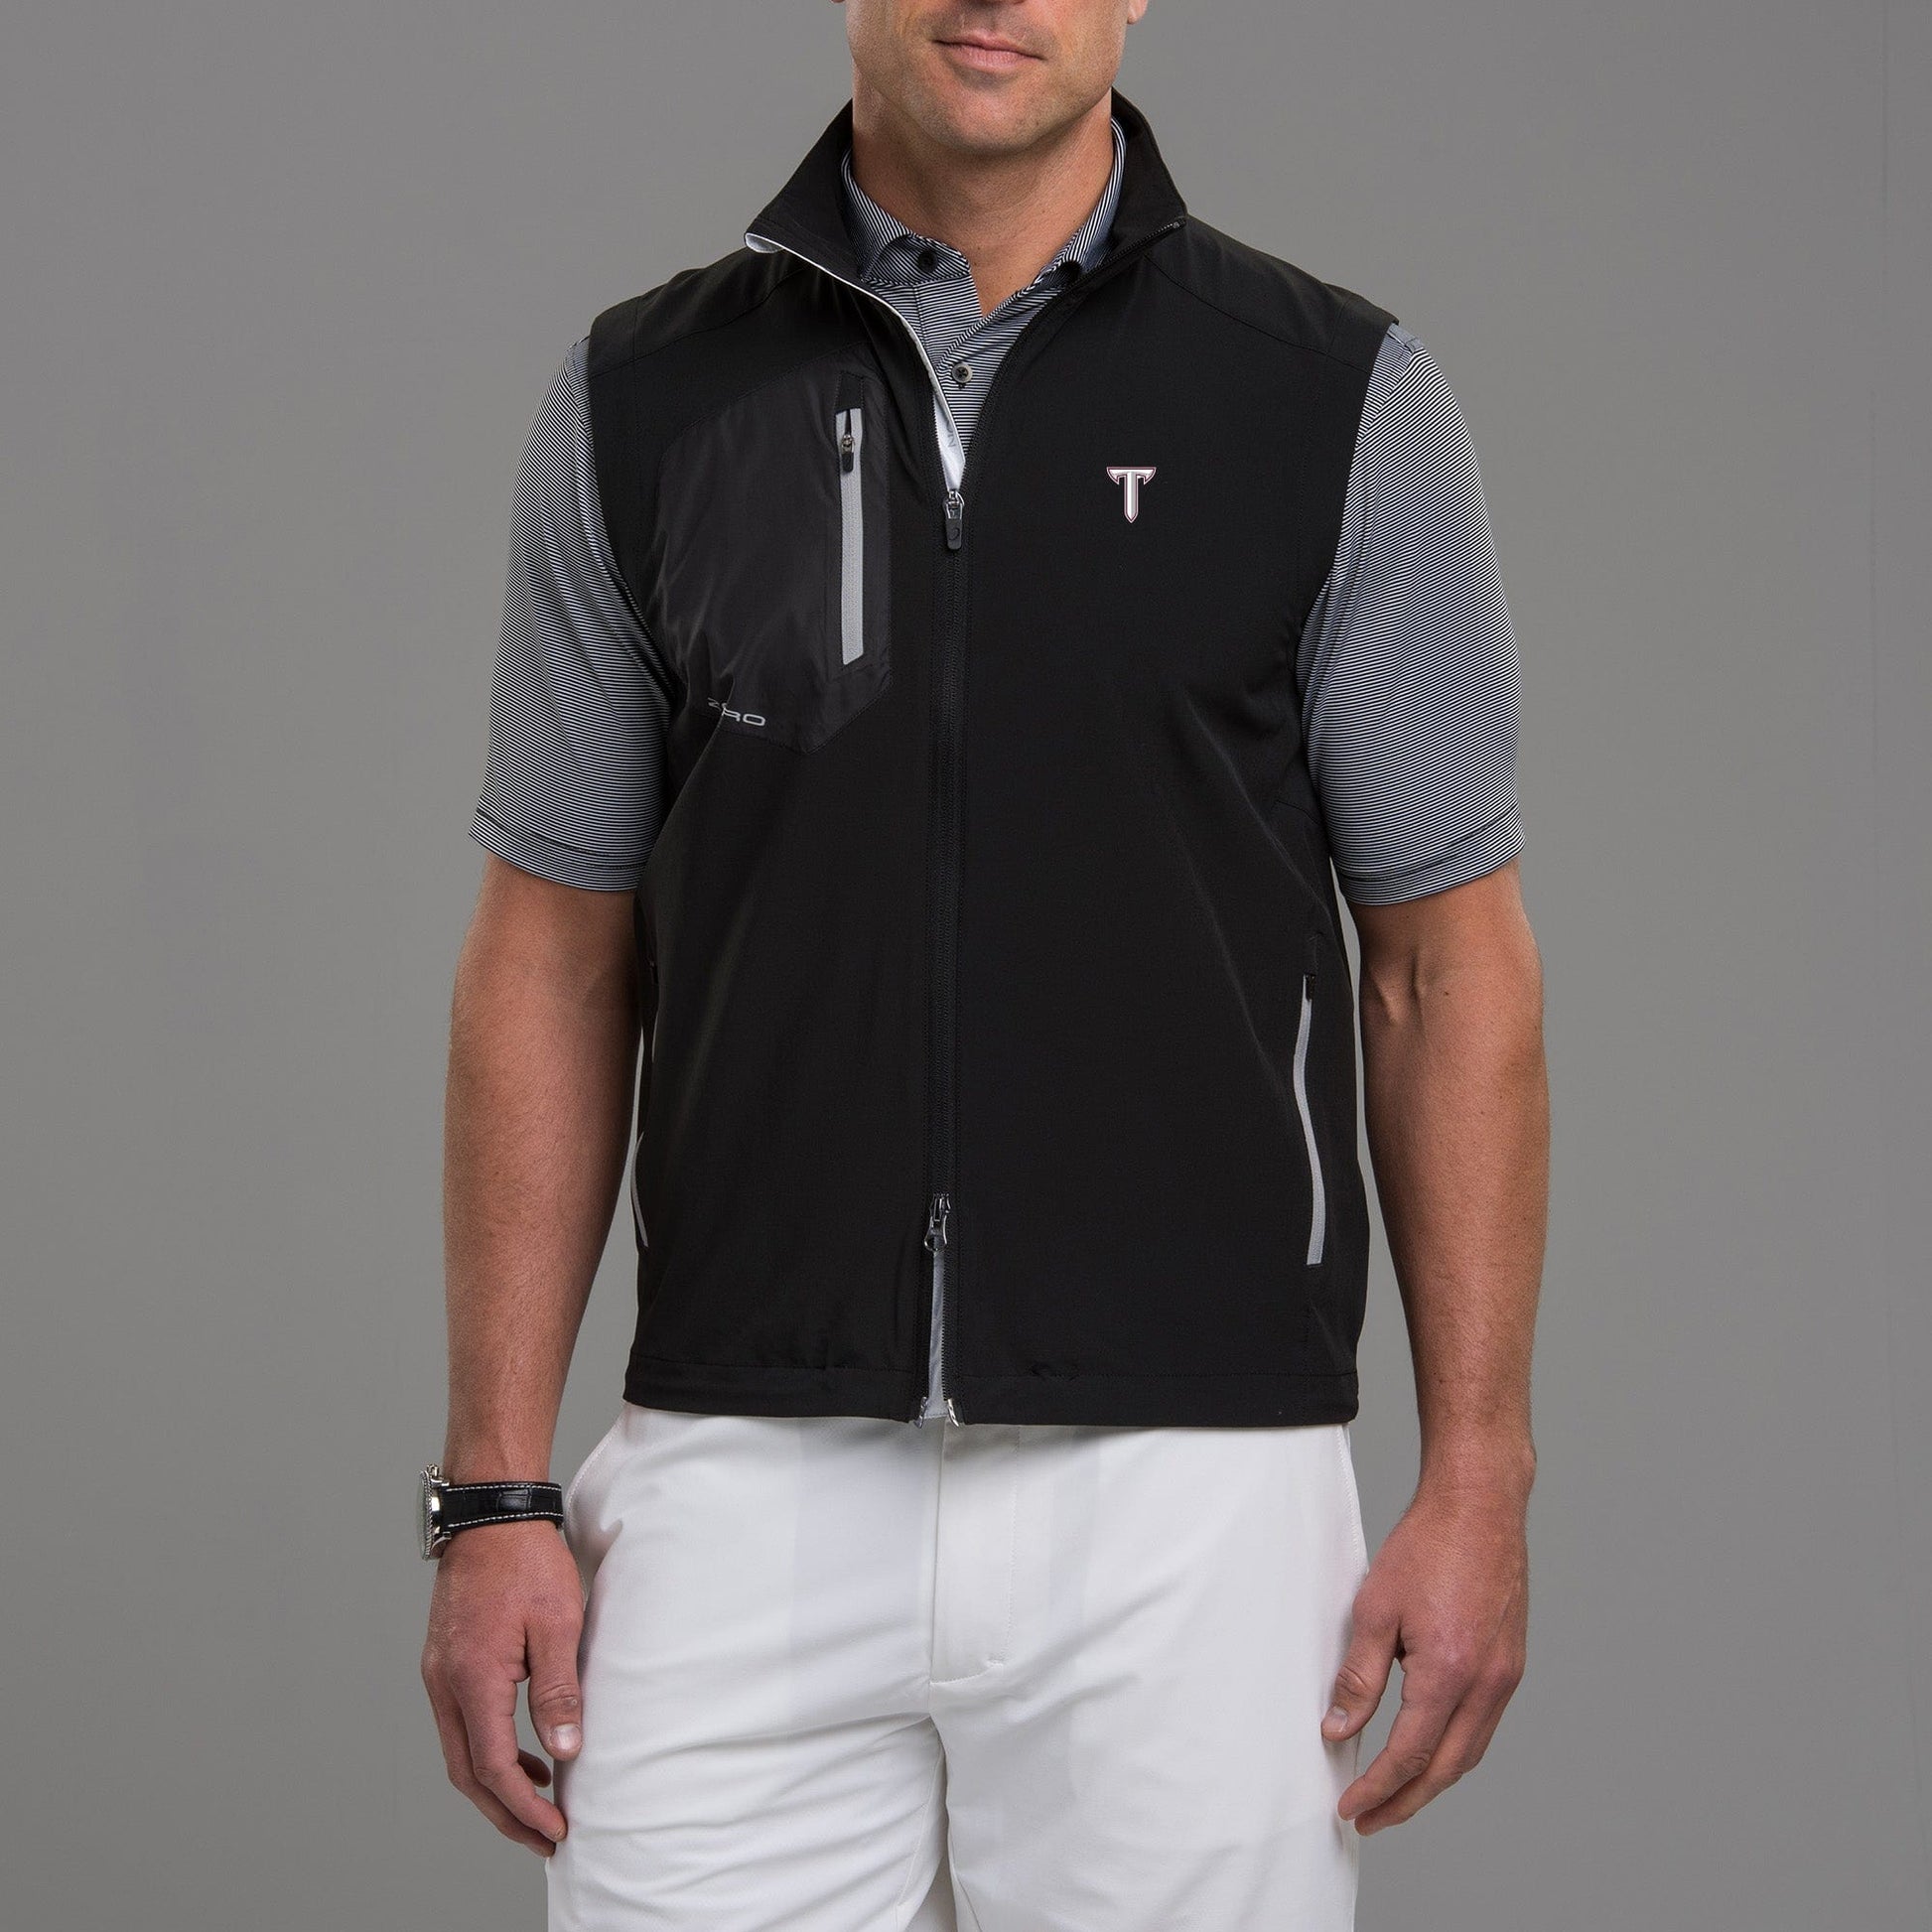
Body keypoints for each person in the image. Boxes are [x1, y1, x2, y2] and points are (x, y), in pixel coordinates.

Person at [420, 3, 1549, 1926]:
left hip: (1190, 1480)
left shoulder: (1327, 395)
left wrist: (1479, 1477)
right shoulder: (649, 396)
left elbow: (1444, 973)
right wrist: (494, 1490)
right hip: (741, 1460)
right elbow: (550, 960)